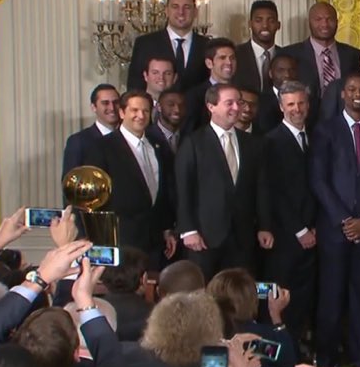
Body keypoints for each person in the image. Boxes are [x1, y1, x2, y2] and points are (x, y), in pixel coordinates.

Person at [310, 74, 360, 367]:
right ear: (343, 94)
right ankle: (326, 363)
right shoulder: (325, 130)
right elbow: (318, 180)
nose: (358, 93)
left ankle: (359, 363)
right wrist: (345, 220)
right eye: (352, 89)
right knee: (330, 299)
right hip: (335, 231)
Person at [175, 83, 274, 280]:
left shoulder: (253, 143)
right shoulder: (193, 142)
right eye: (229, 103)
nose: (237, 108)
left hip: (242, 238)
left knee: (240, 291)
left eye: (239, 102)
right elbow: (183, 189)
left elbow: (261, 188)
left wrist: (265, 226)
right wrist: (188, 230)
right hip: (205, 237)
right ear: (211, 106)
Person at [85, 90, 177, 270]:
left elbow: (165, 192)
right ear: (121, 113)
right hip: (120, 240)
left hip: (154, 240)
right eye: (134, 110)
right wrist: (100, 243)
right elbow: (94, 199)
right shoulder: (102, 147)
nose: (140, 116)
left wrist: (167, 229)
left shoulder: (157, 145)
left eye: (145, 111)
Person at [263, 80, 316, 343]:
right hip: (285, 238)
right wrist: (300, 230)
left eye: (301, 103)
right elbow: (275, 193)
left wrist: (314, 226)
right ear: (281, 107)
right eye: (291, 104)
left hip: (314, 235)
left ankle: (298, 349)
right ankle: (279, 353)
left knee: (305, 298)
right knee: (280, 298)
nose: (297, 109)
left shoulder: (315, 136)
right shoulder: (271, 142)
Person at [282, 3, 360, 128]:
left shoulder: (354, 55)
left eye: (329, 19)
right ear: (309, 22)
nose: (325, 24)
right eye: (318, 19)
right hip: (304, 126)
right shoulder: (290, 54)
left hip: (344, 127)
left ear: (337, 22)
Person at [127, 0, 210, 92]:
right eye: (175, 7)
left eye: (187, 7)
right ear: (166, 11)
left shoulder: (207, 45)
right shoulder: (145, 43)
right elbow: (135, 85)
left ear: (195, 12)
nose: (181, 12)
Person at [62, 84, 119, 177]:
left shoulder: (128, 137)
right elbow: (70, 181)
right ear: (93, 107)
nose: (112, 108)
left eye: (116, 102)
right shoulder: (78, 141)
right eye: (105, 103)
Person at [233, 0, 281, 94]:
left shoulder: (285, 55)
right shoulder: (236, 54)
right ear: (250, 24)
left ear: (278, 25)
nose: (265, 26)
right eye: (258, 21)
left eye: (271, 21)